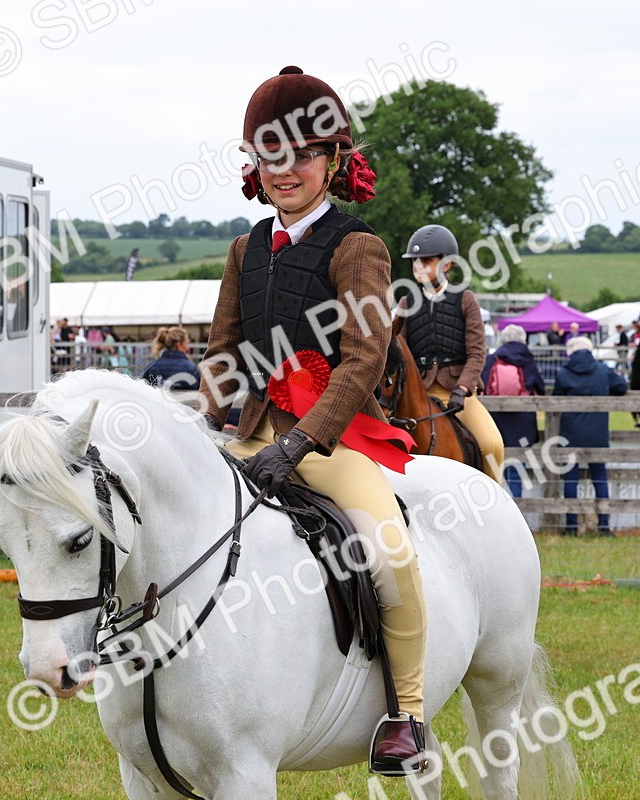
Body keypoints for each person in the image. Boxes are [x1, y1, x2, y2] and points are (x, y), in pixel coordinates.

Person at [198, 66, 427, 774]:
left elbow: (365, 357)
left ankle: (409, 713)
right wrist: (199, 425)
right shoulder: (246, 249)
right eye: (270, 157)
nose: (284, 170)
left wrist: (300, 442)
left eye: (300, 155)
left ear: (332, 161)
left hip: (330, 438)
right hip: (256, 432)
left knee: (389, 553)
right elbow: (223, 353)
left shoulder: (357, 246)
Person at [395, 223, 505, 483]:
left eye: (426, 260)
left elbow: (478, 353)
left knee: (492, 445)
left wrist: (463, 389)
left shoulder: (465, 300)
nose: (418, 266)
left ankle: (493, 504)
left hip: (458, 394)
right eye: (415, 262)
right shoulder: (406, 303)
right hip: (418, 394)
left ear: (447, 265)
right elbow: (398, 353)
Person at [554, 336, 627, 537]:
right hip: (597, 434)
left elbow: (556, 400)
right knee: (600, 478)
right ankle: (604, 526)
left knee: (570, 479)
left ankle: (571, 526)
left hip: (570, 435)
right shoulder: (602, 370)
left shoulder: (564, 373)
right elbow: (622, 387)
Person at [481, 324, 544, 497]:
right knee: (517, 470)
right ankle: (516, 511)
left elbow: (481, 385)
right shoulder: (528, 361)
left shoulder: (491, 359)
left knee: (494, 471)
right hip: (522, 424)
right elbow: (540, 388)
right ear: (523, 340)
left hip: (494, 423)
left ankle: (494, 513)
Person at [140, 326, 200, 391]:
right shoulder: (190, 368)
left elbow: (142, 391)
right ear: (179, 344)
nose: (188, 348)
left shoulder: (151, 367)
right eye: (187, 343)